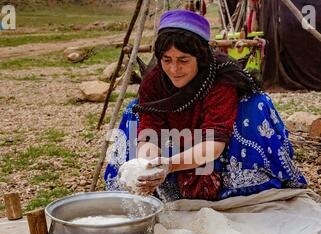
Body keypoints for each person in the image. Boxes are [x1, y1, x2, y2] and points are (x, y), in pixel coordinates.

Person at [104, 9, 307, 201]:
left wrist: (170, 165)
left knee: (255, 105)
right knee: (134, 110)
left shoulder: (219, 79)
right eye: (167, 60)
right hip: (175, 139)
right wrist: (146, 164)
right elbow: (150, 128)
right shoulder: (154, 80)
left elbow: (215, 141)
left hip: (219, 144)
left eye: (183, 60)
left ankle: (239, 184)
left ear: (199, 57)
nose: (174, 69)